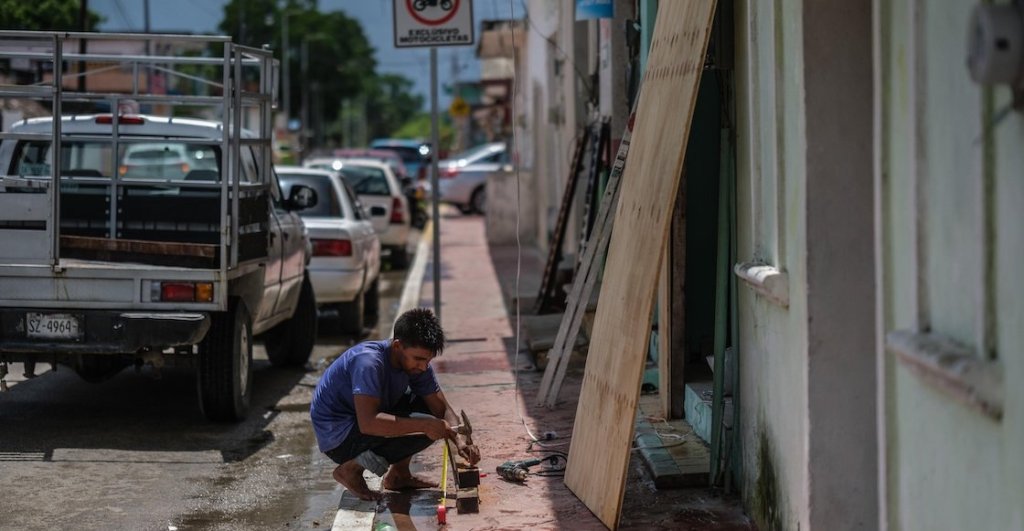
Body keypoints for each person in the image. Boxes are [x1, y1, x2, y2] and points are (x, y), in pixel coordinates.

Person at [310, 308, 480, 500]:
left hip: (363, 420)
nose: (424, 367)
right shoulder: (368, 362)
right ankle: (350, 470)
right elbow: (369, 423)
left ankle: (399, 475)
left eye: (428, 360)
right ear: (398, 346)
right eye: (419, 359)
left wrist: (460, 440)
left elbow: (442, 409)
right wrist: (425, 425)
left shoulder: (416, 365)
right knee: (425, 426)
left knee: (429, 414)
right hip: (338, 436)